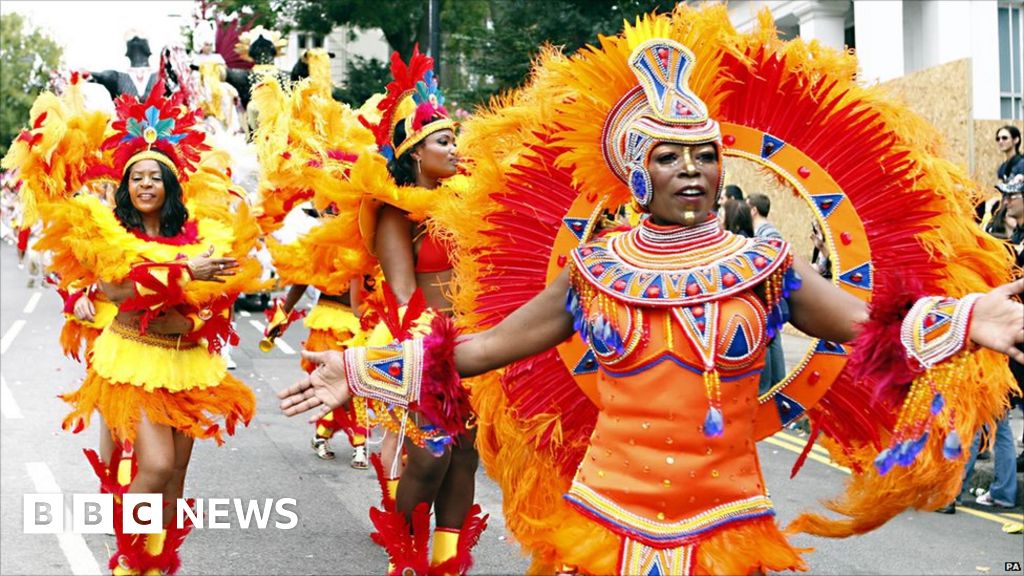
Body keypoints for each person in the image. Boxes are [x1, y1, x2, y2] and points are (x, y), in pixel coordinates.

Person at [280, 16, 1023, 575]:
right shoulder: (596, 269)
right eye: (669, 157)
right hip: (606, 515)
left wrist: (963, 318)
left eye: (706, 156)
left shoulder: (763, 264)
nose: (693, 170)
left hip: (728, 516)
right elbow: (482, 348)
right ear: (639, 176)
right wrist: (355, 372)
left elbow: (869, 326)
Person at [3, 77, 262, 575]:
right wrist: (185, 276)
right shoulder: (111, 233)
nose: (145, 183)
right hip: (133, 358)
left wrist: (207, 298)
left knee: (177, 476)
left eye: (155, 177)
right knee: (156, 465)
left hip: (189, 363)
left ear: (170, 187)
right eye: (136, 177)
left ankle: (157, 563)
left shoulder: (201, 237)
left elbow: (217, 295)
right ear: (125, 187)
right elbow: (118, 291)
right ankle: (126, 561)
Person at [747, 193, 787, 395]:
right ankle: (777, 385)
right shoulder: (763, 231)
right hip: (770, 293)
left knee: (771, 340)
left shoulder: (768, 233)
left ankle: (773, 386)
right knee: (773, 339)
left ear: (753, 209)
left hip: (770, 293)